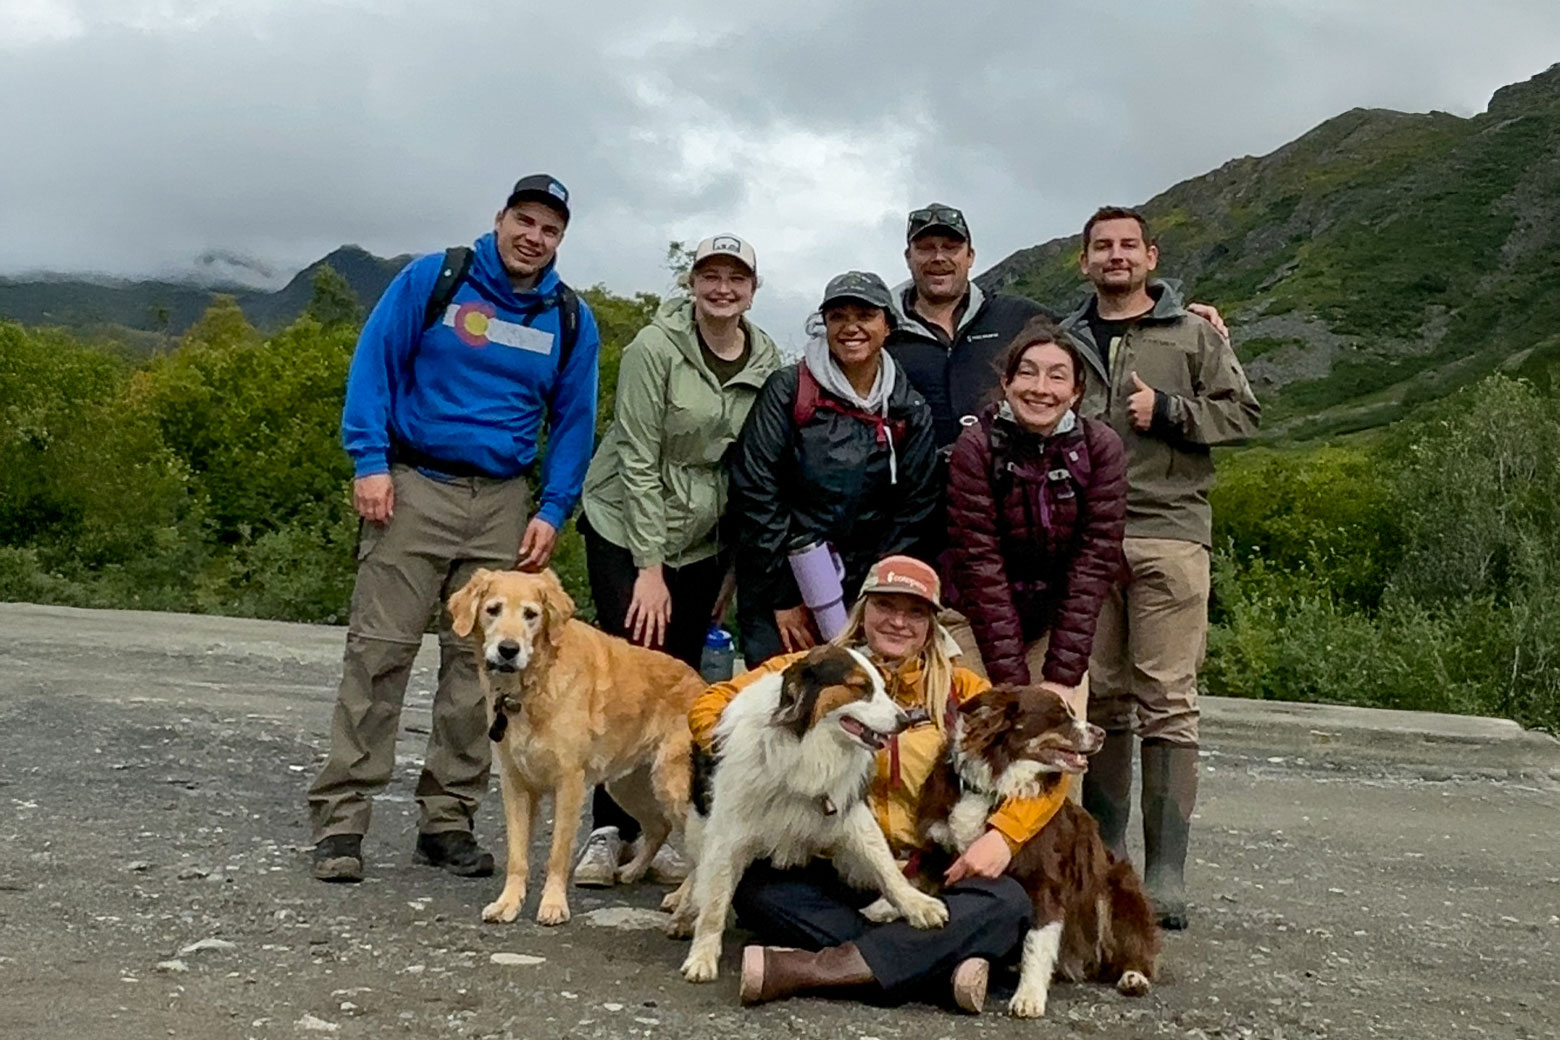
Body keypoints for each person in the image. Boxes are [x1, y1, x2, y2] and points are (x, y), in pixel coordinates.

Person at [306, 175, 601, 883]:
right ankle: (342, 822)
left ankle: (447, 820)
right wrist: (369, 461)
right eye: (524, 220)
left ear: (561, 240)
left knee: (489, 671)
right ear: (500, 219)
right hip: (413, 487)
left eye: (550, 229)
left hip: (502, 499)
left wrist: (554, 508)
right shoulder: (435, 280)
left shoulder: (566, 316)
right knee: (379, 652)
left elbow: (575, 420)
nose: (534, 236)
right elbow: (373, 364)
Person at [688, 556, 1069, 1013]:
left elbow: (1050, 766)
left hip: (927, 876)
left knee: (1007, 902)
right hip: (831, 866)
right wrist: (751, 756)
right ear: (862, 610)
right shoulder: (819, 666)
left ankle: (813, 970)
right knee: (758, 893)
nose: (898, 622)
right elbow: (711, 703)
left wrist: (1005, 837)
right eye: (885, 606)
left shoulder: (962, 692)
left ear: (932, 623)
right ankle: (936, 967)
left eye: (915, 612)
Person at [1060, 205, 1260, 929]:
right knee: (1104, 699)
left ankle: (1167, 871)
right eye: (1100, 247)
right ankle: (1108, 858)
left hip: (1170, 533)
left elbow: (1242, 414)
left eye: (1127, 246)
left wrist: (1171, 410)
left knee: (1169, 699)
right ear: (1084, 262)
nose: (1115, 257)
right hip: (1086, 538)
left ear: (1151, 256)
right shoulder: (1065, 340)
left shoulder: (1196, 334)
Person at [572, 234, 781, 887]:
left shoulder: (768, 360)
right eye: (710, 276)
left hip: (704, 539)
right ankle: (608, 831)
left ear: (753, 288)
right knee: (626, 678)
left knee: (683, 684)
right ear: (693, 283)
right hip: (627, 527)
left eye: (736, 278)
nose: (723, 288)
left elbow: (754, 467)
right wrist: (651, 567)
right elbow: (637, 455)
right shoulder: (653, 349)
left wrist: (725, 571)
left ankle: (664, 825)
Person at [886, 202, 1229, 451]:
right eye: (926, 248)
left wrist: (1179, 313)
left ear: (971, 256)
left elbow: (1106, 321)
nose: (939, 258)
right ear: (908, 257)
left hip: (1001, 502)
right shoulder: (880, 329)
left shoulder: (1019, 316)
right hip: (909, 509)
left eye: (951, 247)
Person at [727, 271, 939, 666]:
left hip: (862, 596)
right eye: (838, 316)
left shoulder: (908, 408)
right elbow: (754, 489)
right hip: (781, 590)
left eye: (865, 315)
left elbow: (916, 507)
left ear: (888, 325)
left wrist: (875, 599)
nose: (851, 327)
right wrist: (784, 595)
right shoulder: (788, 390)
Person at [942, 318, 1128, 726]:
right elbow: (979, 565)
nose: (1041, 388)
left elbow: (1094, 563)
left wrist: (1062, 675)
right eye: (1028, 373)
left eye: (1057, 376)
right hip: (975, 616)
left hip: (1056, 619)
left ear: (1076, 392)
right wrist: (1014, 687)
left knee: (1059, 742)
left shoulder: (1100, 448)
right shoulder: (975, 448)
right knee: (978, 734)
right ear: (1007, 382)